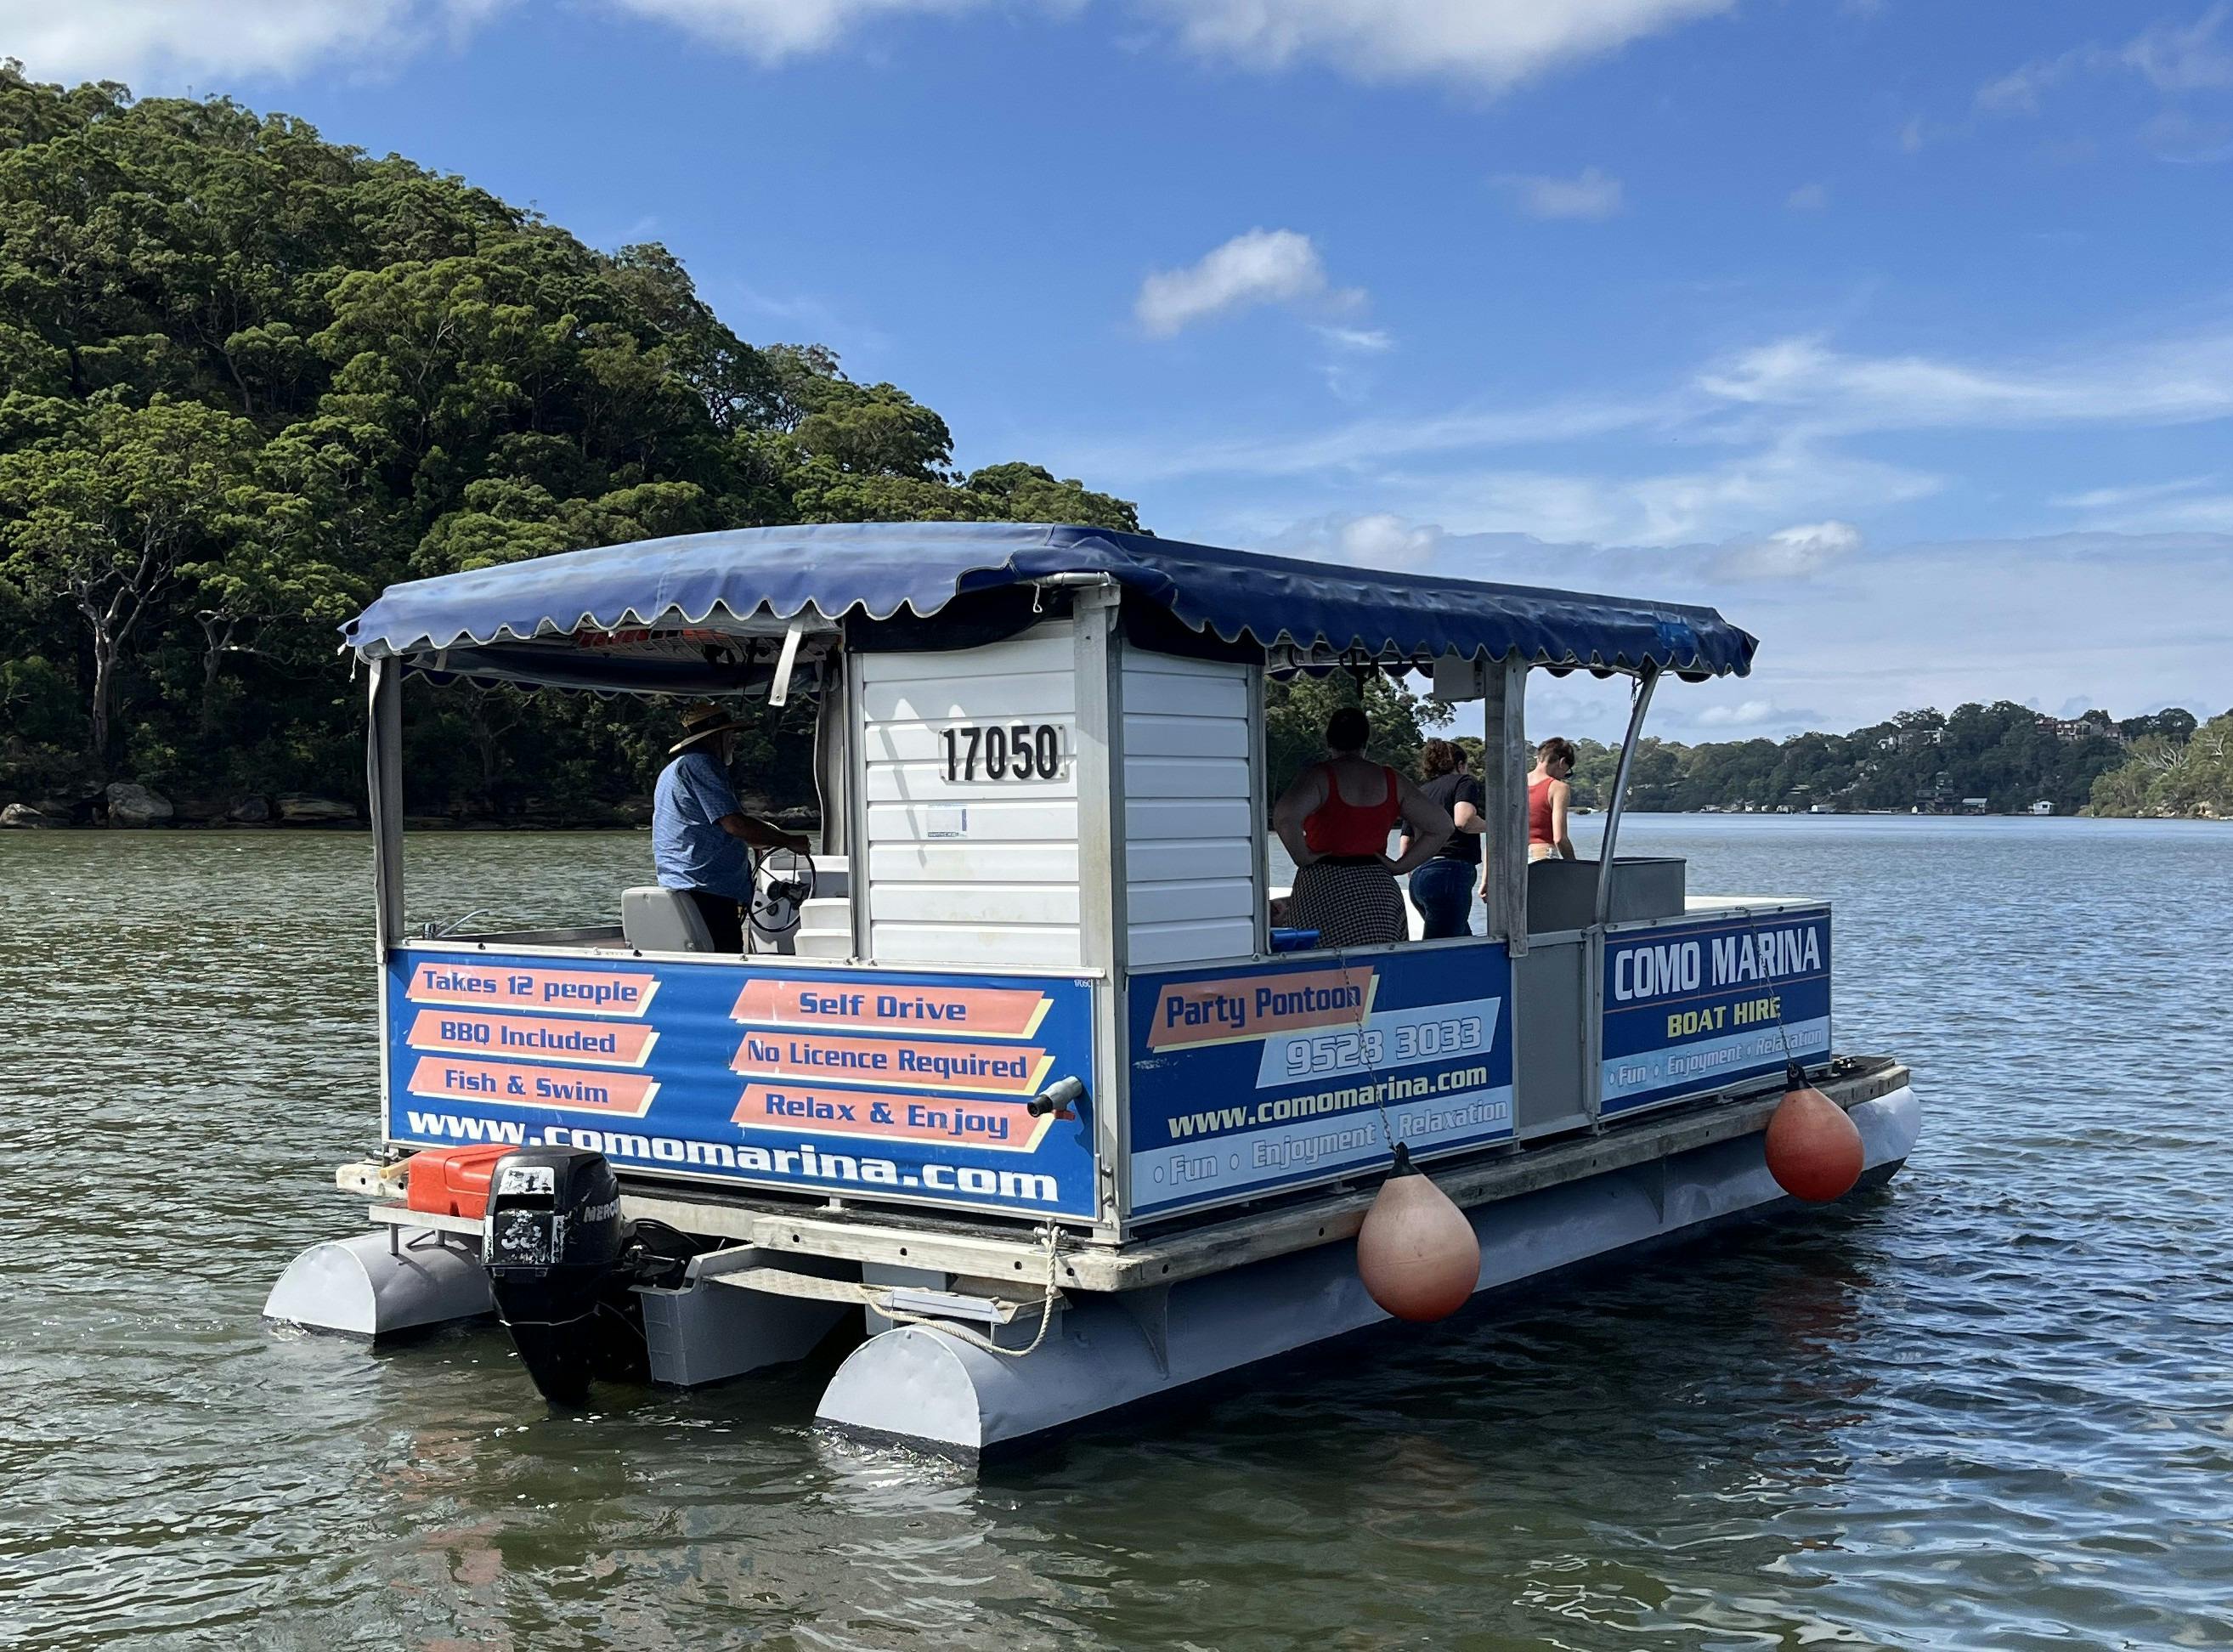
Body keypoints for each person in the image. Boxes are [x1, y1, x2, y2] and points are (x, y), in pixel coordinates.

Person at [1272, 706, 1455, 948]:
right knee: (1379, 966)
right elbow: (1442, 826)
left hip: (1323, 883)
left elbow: (1285, 817)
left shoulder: (1318, 777)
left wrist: (1303, 857)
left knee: (1322, 965)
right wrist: (1401, 866)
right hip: (1375, 884)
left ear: (1329, 741)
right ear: (1365, 742)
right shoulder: (1391, 780)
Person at [653, 701, 809, 952]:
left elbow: (718, 826)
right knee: (723, 960)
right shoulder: (702, 765)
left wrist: (762, 835)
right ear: (717, 737)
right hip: (706, 891)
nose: (735, 741)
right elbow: (734, 824)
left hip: (683, 886)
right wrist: (789, 841)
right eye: (731, 735)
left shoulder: (673, 769)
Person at [1400, 738, 1486, 940]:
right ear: (1460, 765)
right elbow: (1464, 821)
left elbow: (1406, 841)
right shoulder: (1464, 782)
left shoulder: (1420, 792)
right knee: (1441, 948)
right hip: (1450, 872)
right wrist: (1496, 826)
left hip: (1420, 878)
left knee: (1463, 941)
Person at [1528, 737, 1578, 863]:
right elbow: (1559, 838)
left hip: (1511, 859)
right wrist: (1574, 866)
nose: (1563, 777)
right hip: (1542, 857)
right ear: (1562, 762)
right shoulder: (1558, 788)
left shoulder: (1514, 784)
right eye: (1566, 772)